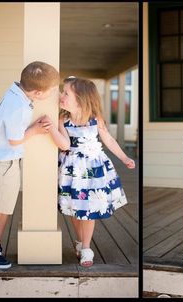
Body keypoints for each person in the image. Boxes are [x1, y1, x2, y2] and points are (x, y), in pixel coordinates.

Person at [45, 76, 135, 267]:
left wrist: (124, 158)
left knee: (89, 209)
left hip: (94, 172)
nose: (61, 95)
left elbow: (109, 140)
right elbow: (65, 144)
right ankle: (80, 241)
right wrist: (52, 129)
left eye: (66, 93)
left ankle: (86, 248)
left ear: (80, 98)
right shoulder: (63, 120)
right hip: (73, 172)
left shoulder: (95, 120)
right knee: (77, 210)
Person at [0, 61, 59, 269]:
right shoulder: (19, 107)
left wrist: (31, 127)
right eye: (50, 91)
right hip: (5, 162)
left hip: (6, 162)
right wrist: (36, 130)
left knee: (5, 208)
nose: (51, 95)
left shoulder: (16, 93)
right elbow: (14, 140)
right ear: (38, 93)